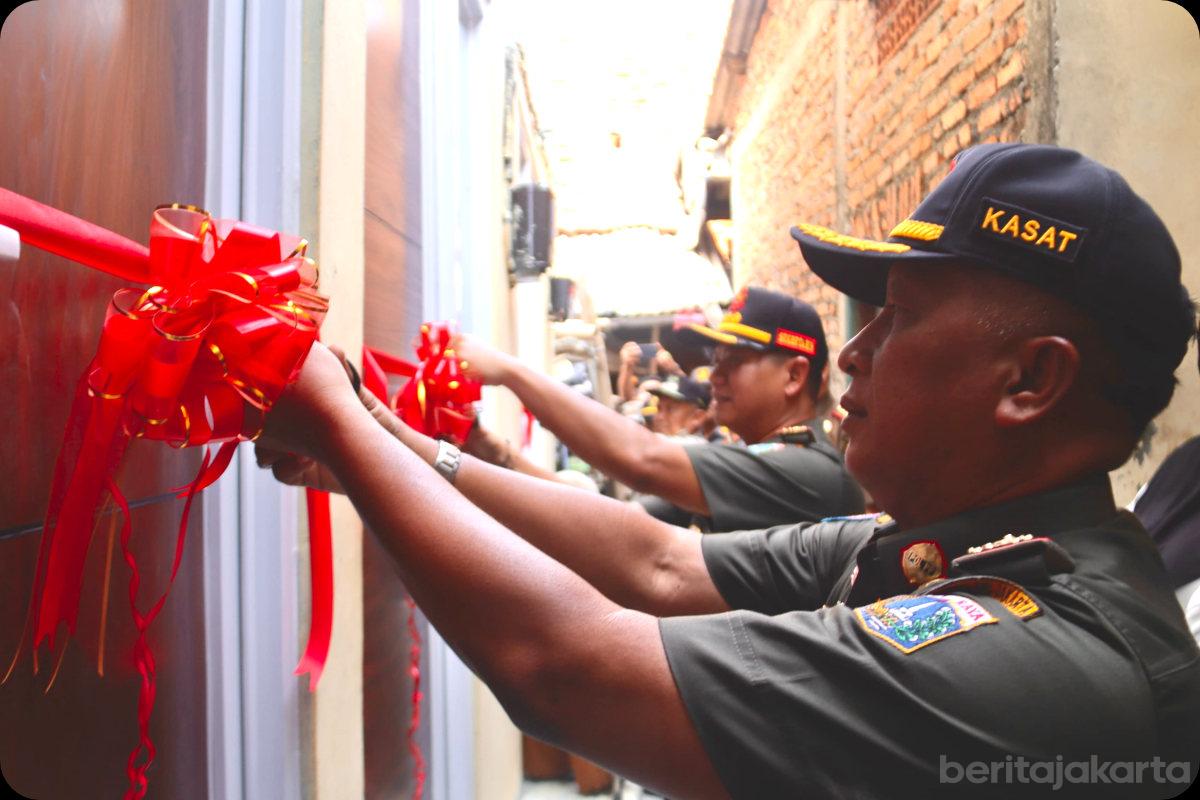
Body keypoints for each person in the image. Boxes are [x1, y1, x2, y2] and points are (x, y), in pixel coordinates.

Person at [259, 143, 1199, 798]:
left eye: (900, 317)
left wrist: (345, 430)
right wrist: (384, 437)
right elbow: (657, 565)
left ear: (1031, 379)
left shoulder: (1049, 657)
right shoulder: (929, 547)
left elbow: (568, 670)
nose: (855, 354)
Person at [454, 286, 865, 531]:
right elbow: (612, 521)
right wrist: (492, 453)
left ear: (794, 376)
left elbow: (642, 460)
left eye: (734, 361)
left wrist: (511, 372)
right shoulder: (758, 458)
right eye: (716, 359)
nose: (714, 375)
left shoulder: (812, 472)